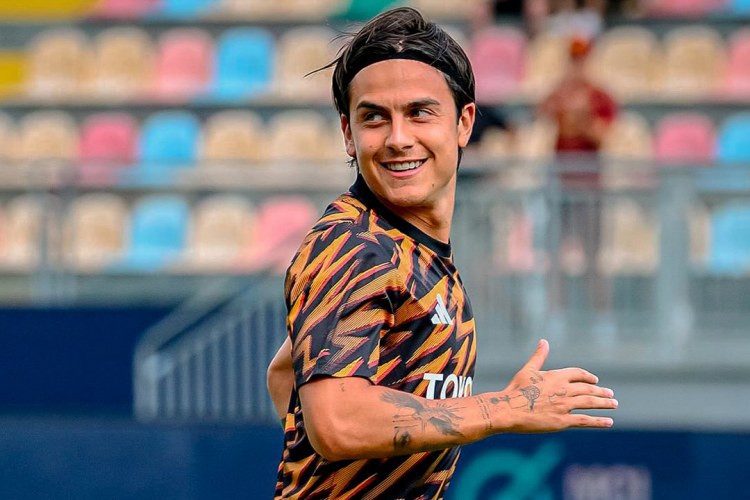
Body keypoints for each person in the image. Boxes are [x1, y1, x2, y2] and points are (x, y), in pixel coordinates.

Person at [267, 8, 617, 499]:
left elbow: (285, 373)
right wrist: (504, 409)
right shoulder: (355, 248)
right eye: (374, 117)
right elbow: (337, 422)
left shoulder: (414, 249)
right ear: (348, 132)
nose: (398, 139)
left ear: (464, 122)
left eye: (419, 112)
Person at [537, 35, 618, 339]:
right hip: (560, 186)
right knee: (555, 255)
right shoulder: (560, 92)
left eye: (581, 60)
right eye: (573, 59)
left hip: (589, 187)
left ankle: (602, 316)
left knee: (593, 257)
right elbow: (540, 114)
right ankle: (556, 315)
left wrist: (580, 116)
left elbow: (603, 136)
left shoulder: (599, 96)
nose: (576, 66)